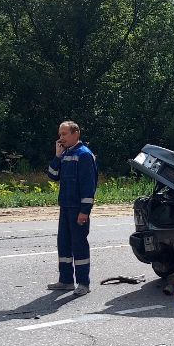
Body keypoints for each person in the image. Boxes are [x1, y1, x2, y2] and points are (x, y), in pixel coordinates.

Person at [46, 120, 98, 296]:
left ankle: (83, 283)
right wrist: (57, 155)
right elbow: (52, 176)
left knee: (79, 245)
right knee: (64, 244)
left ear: (76, 134)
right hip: (65, 207)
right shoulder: (65, 153)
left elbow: (88, 186)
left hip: (78, 209)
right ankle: (66, 281)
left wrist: (85, 211)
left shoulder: (84, 155)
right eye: (60, 134)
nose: (61, 138)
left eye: (64, 134)